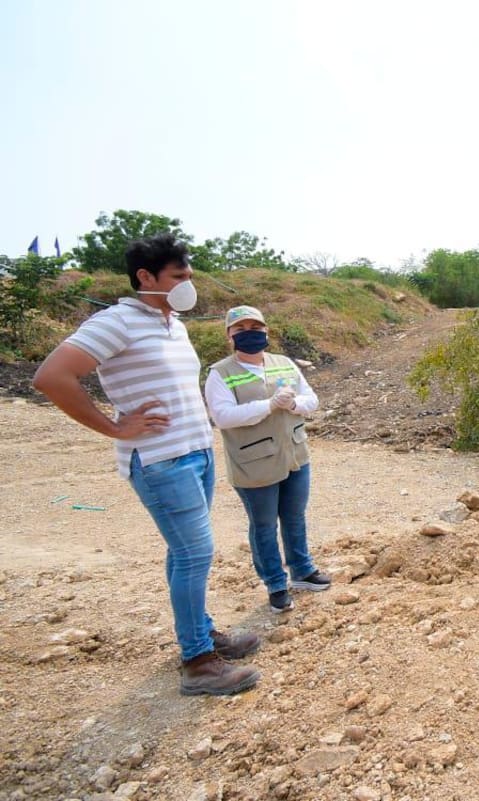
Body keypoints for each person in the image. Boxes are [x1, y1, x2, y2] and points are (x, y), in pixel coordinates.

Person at [32, 233, 261, 696]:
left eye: (189, 275)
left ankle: (201, 634)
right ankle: (198, 662)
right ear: (145, 277)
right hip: (161, 461)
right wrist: (115, 428)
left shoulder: (172, 323)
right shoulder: (117, 321)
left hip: (194, 453)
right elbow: (51, 376)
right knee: (196, 554)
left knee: (185, 555)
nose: (186, 285)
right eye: (178, 277)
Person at [204, 305, 330, 615]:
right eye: (241, 329)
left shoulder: (283, 363)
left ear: (266, 332)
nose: (250, 333)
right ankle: (275, 583)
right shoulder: (220, 373)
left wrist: (294, 404)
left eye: (256, 328)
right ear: (230, 336)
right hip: (253, 462)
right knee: (263, 525)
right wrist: (269, 405)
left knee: (294, 515)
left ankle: (302, 570)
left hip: (294, 454)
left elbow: (311, 399)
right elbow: (222, 416)